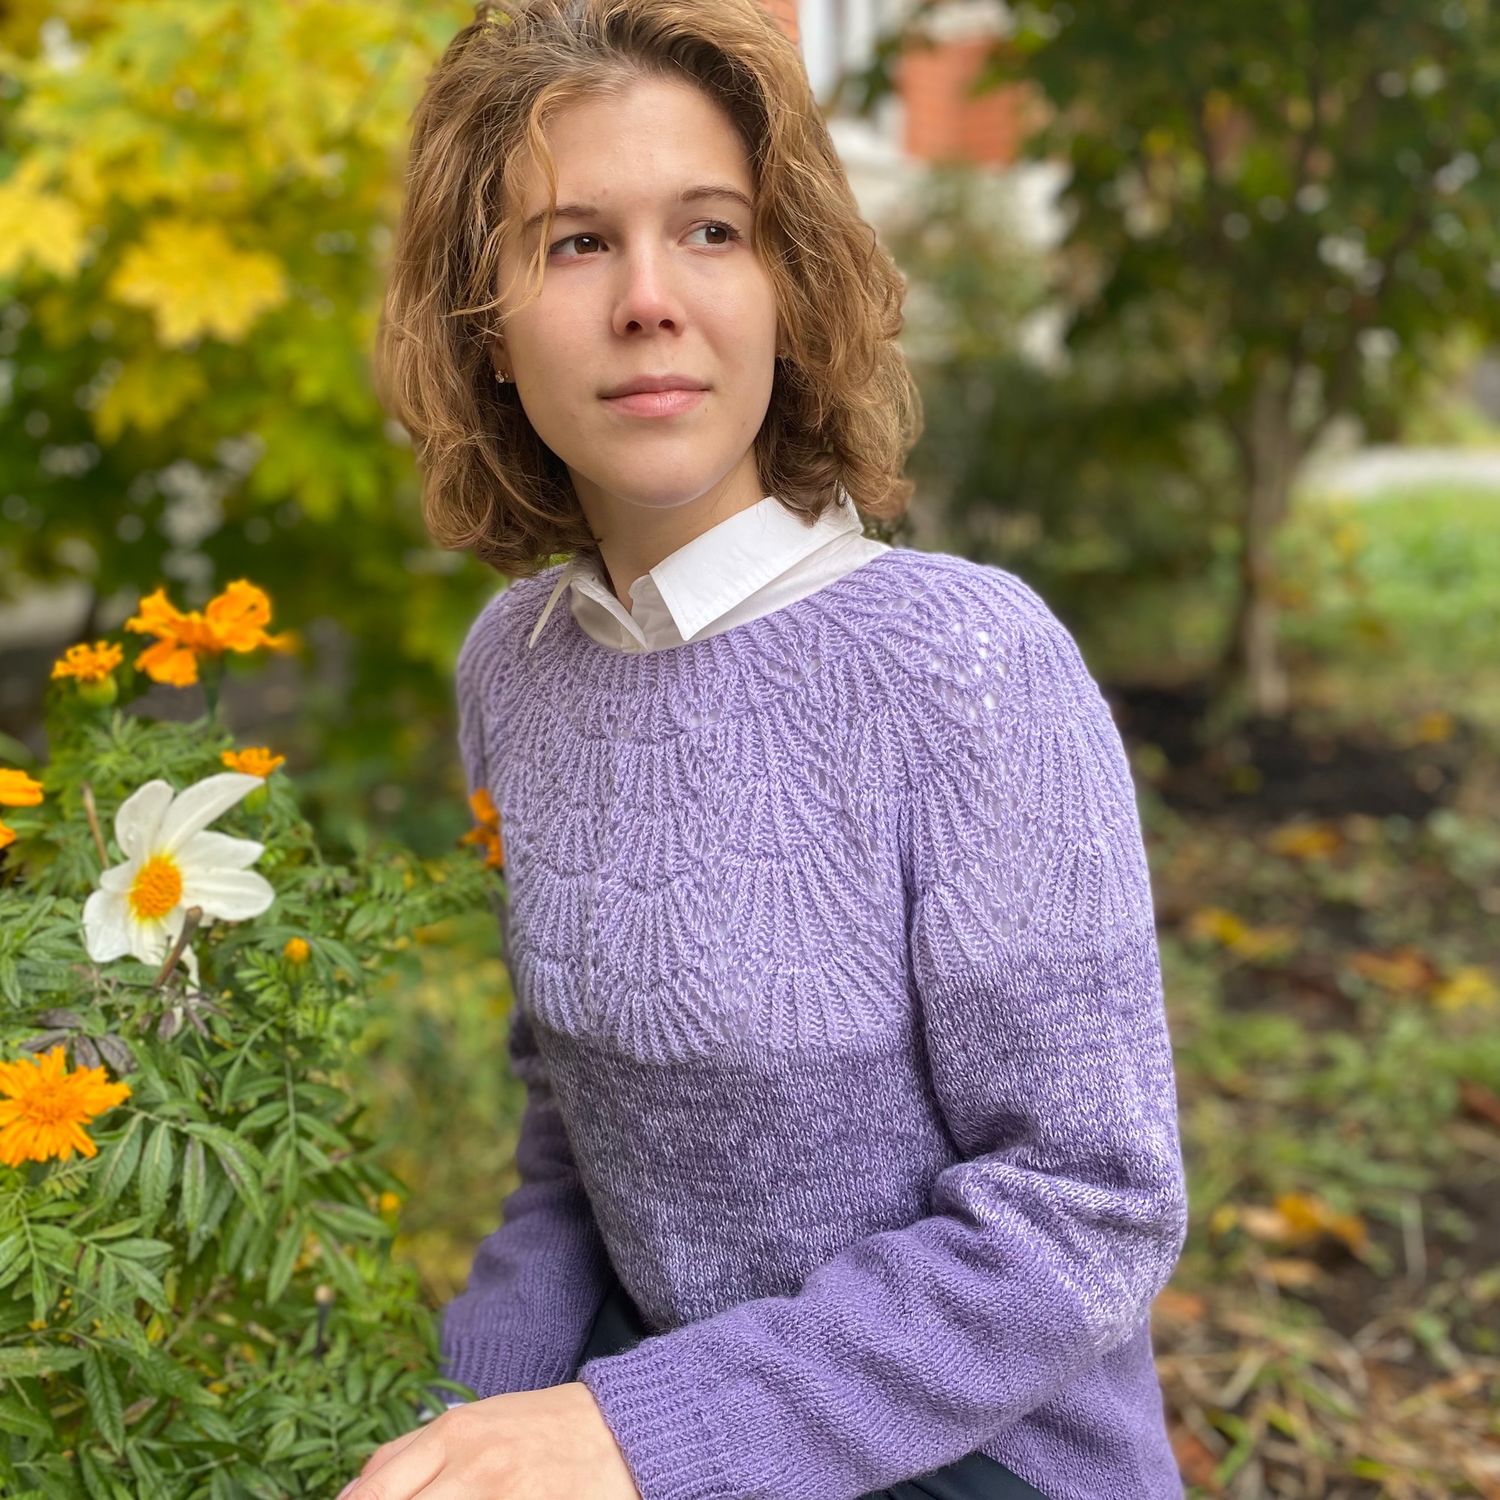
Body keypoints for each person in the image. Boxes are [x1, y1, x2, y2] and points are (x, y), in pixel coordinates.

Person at [349, 2, 1190, 1497]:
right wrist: (448, 1426)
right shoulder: (515, 669)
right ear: (485, 326)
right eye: (575, 242)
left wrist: (625, 1436)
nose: (649, 300)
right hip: (652, 1408)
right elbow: (573, 1152)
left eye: (712, 231)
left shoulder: (968, 666)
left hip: (980, 1462)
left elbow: (1089, 1207)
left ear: (790, 284)